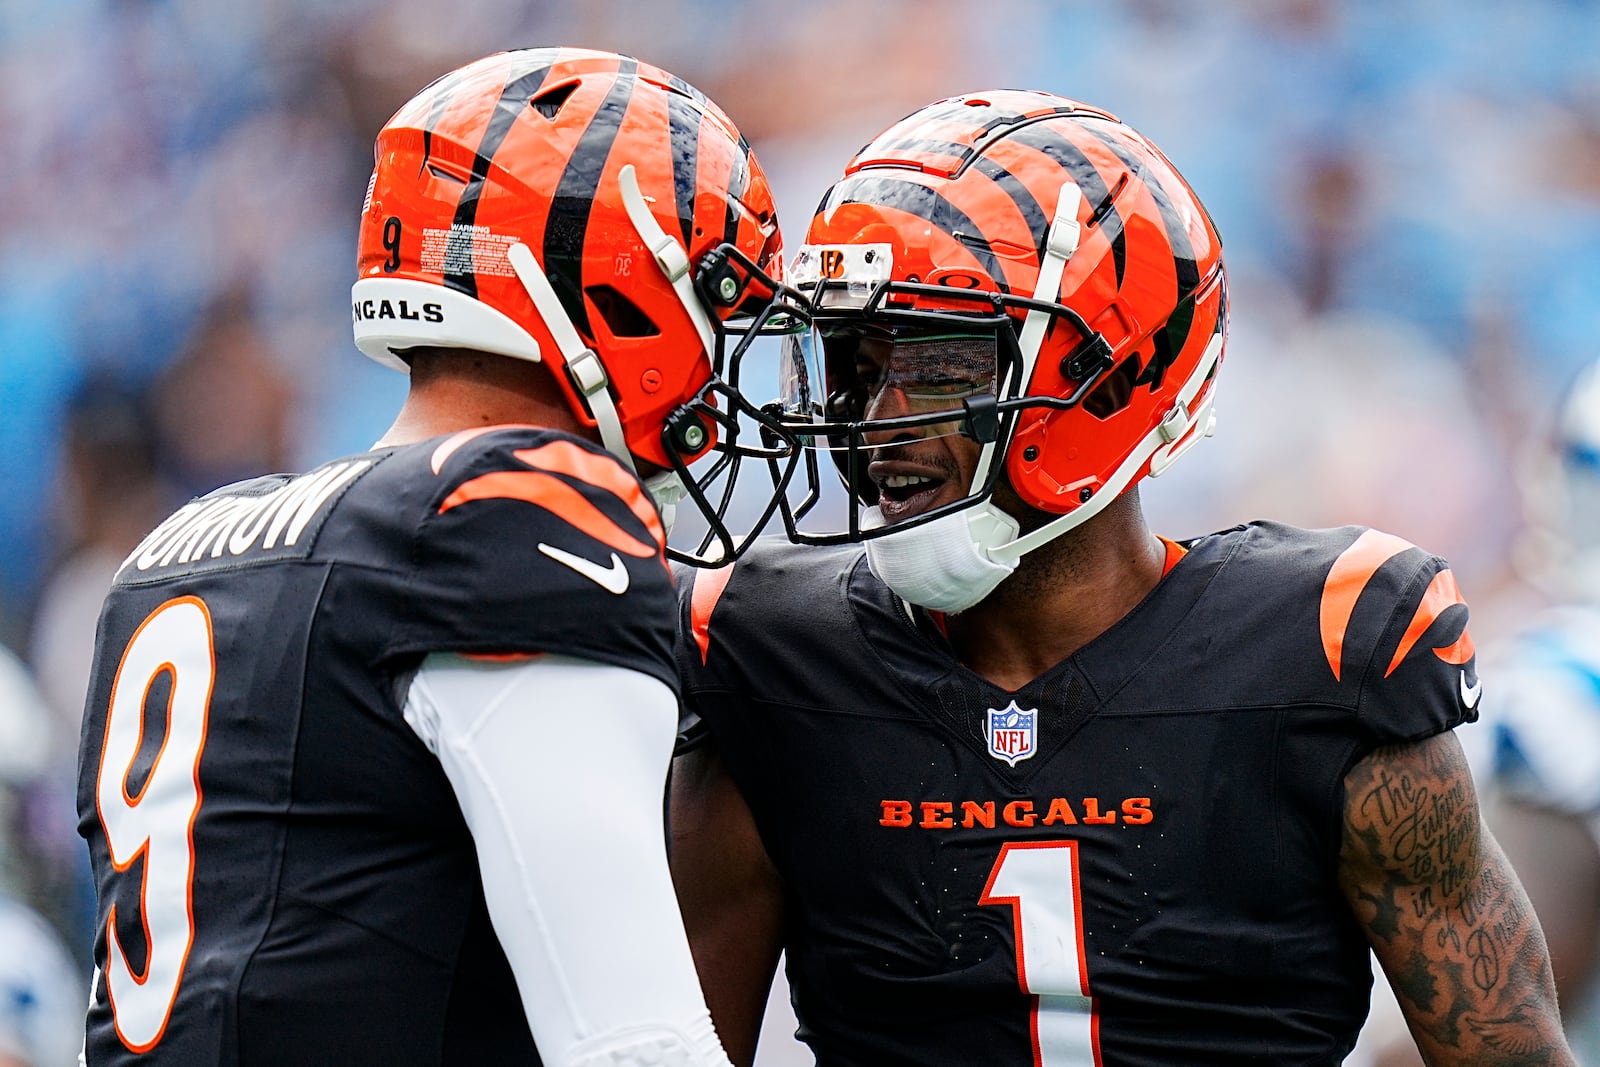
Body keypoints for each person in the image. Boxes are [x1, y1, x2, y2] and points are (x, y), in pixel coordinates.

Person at [667, 89, 1576, 1066]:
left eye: (934, 362)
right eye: (856, 358)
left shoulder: (1323, 648)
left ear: (1110, 374)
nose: (877, 415)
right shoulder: (770, 656)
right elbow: (660, 1046)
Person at [75, 47, 805, 1066]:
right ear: (617, 287)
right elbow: (633, 1042)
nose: (724, 362)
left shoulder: (172, 552)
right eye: (712, 301)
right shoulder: (508, 511)